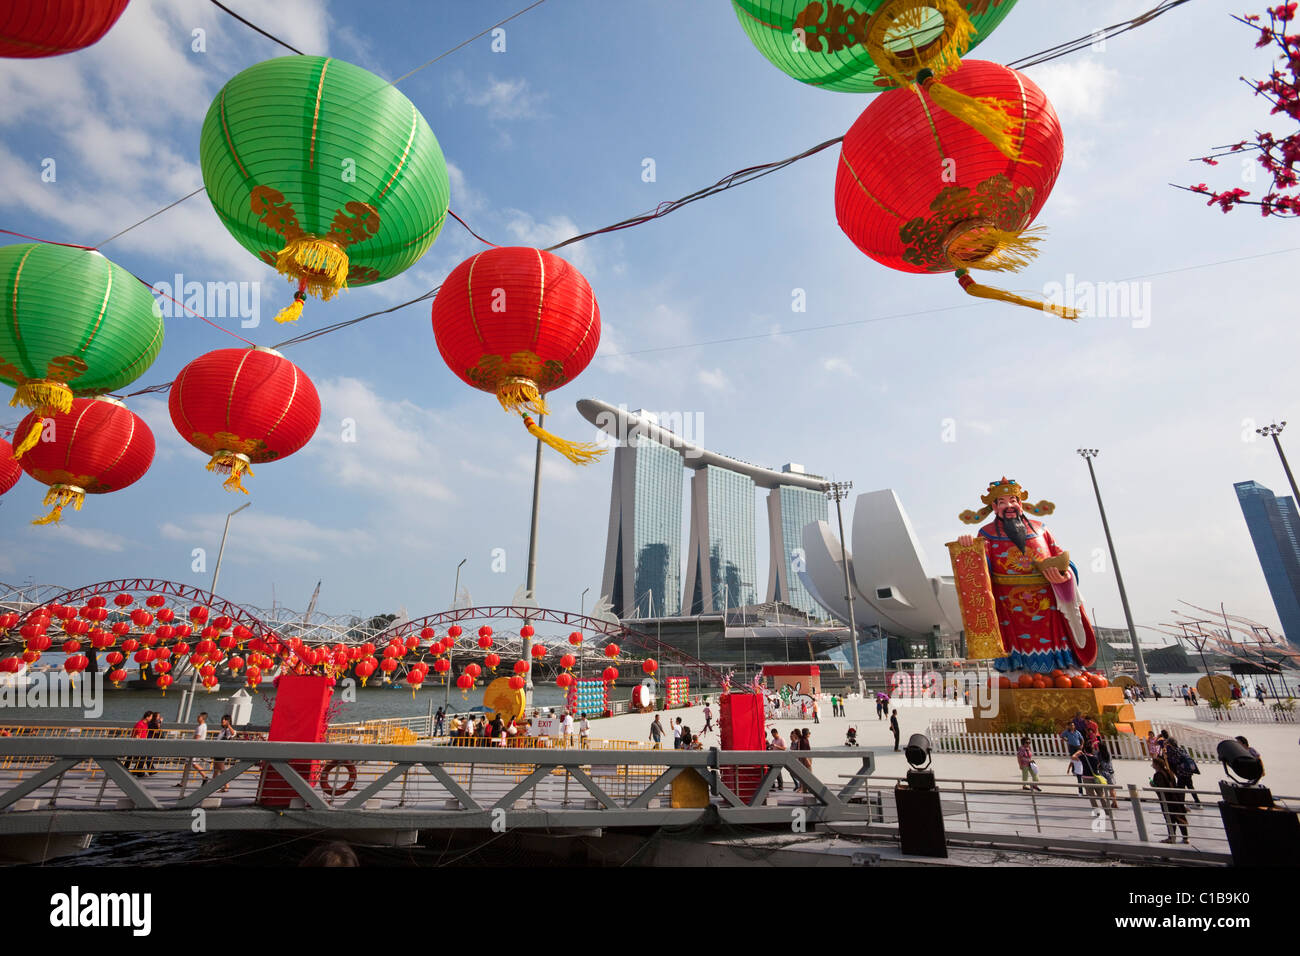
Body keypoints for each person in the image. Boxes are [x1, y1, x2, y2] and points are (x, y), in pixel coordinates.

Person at [955, 477, 1098, 680]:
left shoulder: (1042, 529)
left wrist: (1063, 575)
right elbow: (978, 572)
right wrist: (968, 547)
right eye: (1002, 502)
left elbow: (1063, 560)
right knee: (1017, 654)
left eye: (1013, 500)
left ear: (1020, 503)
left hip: (1048, 600)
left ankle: (1062, 668)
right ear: (994, 507)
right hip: (1009, 605)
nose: (1009, 506)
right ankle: (1016, 672)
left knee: (1056, 645)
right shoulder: (986, 534)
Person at [1151, 757, 1189, 843]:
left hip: (1167, 800)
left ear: (1157, 765)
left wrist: (1153, 786)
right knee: (1180, 818)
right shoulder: (1169, 772)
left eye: (1153, 764)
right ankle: (1185, 838)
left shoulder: (1158, 775)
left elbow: (1161, 788)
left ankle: (1171, 837)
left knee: (1170, 819)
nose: (1152, 765)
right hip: (1176, 797)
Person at [1164, 736, 1201, 804]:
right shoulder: (1181, 749)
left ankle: (1181, 803)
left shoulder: (1173, 751)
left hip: (1181, 772)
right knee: (1190, 786)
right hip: (1188, 771)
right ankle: (1197, 802)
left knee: (1180, 788)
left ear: (1170, 744)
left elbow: (1173, 761)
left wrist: (1166, 755)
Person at [178, 712, 210, 786]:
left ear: (202, 718)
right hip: (198, 747)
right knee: (187, 764)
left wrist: (190, 746)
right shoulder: (204, 725)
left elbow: (197, 738)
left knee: (194, 763)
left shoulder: (200, 727)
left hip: (195, 747)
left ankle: (205, 776)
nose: (197, 718)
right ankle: (182, 783)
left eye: (199, 717)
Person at [214, 714, 237, 792]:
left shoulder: (228, 730)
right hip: (217, 751)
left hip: (221, 752)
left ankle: (226, 785)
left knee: (221, 769)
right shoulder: (223, 730)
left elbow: (234, 733)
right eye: (222, 720)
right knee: (216, 769)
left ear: (228, 721)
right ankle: (213, 785)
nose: (222, 721)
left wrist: (229, 725)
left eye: (224, 720)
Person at [1096, 739, 1119, 808]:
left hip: (1102, 772)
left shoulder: (1098, 754)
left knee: (1103, 789)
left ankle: (1106, 803)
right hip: (1110, 771)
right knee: (1112, 789)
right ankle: (1115, 802)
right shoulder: (1108, 753)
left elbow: (1097, 763)